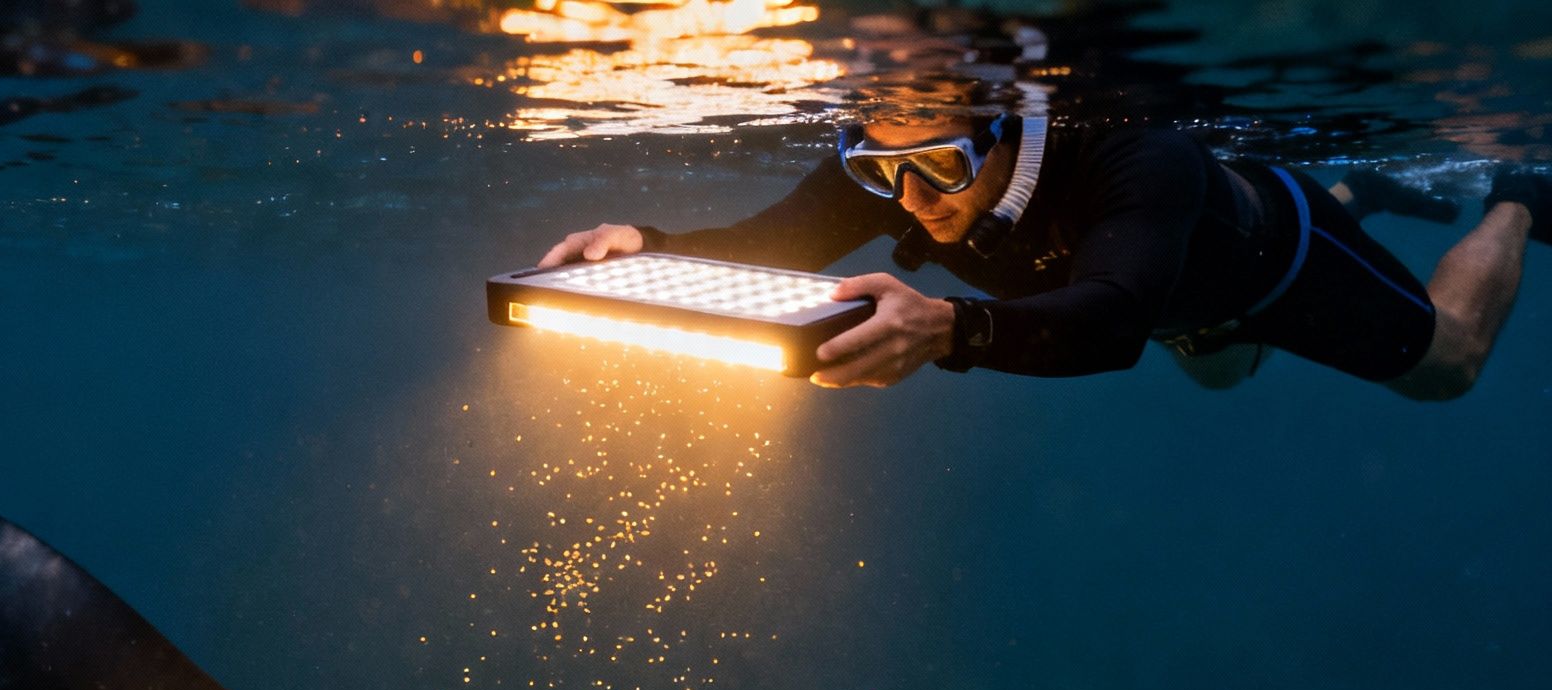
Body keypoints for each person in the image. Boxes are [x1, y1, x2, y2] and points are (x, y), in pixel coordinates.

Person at [540, 108, 1550, 400]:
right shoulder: (890, 168)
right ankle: (1363, 189)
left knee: (1446, 365)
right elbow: (767, 245)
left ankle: (1509, 197)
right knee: (1222, 379)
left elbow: (1110, 321)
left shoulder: (1129, 156)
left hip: (1268, 257)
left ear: (1002, 128)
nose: (911, 197)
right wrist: (646, 242)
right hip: (1172, 306)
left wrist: (950, 326)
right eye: (876, 170)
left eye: (937, 161)